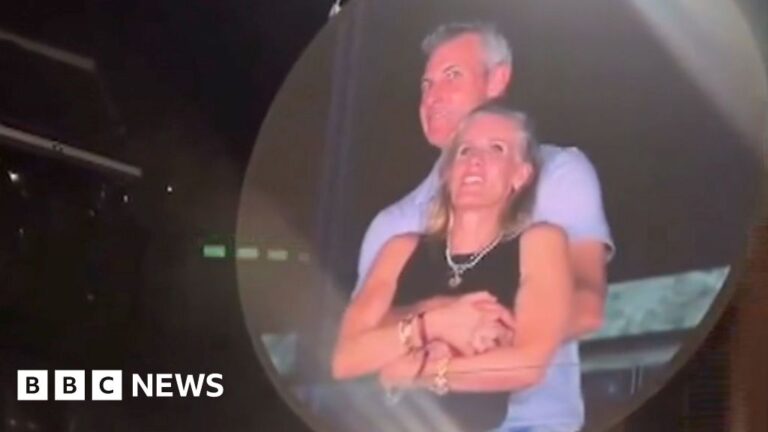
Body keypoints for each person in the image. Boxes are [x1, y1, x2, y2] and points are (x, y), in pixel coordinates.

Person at [349, 22, 614, 432]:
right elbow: (358, 344)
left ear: (497, 79)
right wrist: (439, 322)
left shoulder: (558, 173)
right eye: (426, 84)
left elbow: (587, 304)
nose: (432, 96)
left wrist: (469, 344)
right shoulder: (392, 225)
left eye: (452, 76)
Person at [333, 105, 575, 432]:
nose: (475, 160)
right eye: (465, 150)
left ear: (520, 175)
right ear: (447, 172)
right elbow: (346, 359)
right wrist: (436, 322)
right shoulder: (400, 249)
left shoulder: (539, 242)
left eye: (496, 148)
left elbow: (529, 364)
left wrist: (418, 372)